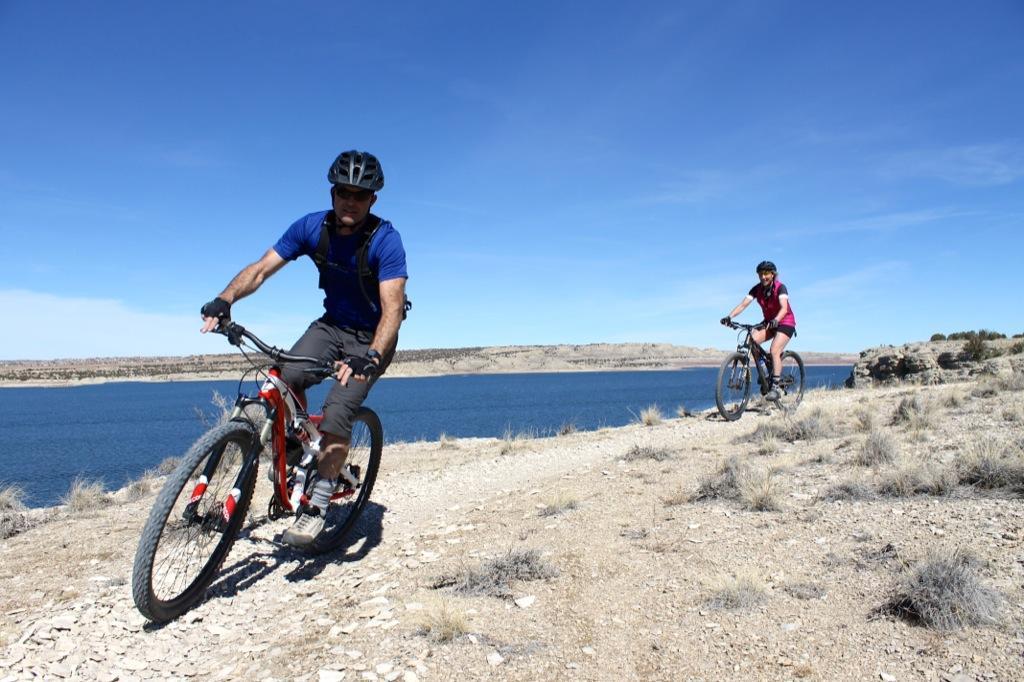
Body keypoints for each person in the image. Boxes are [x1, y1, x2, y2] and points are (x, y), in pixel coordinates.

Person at [200, 150, 408, 547]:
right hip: (330, 327)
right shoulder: (311, 228)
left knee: (337, 412)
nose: (351, 200)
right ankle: (297, 450)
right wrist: (225, 299)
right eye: (344, 192)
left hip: (371, 337)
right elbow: (261, 268)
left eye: (360, 195)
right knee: (282, 377)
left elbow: (393, 309)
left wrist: (371, 357)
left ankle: (317, 505)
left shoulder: (386, 240)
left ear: (372, 201)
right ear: (332, 193)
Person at [720, 260, 796, 401]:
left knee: (774, 350)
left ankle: (776, 387)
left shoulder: (780, 288)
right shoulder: (756, 289)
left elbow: (784, 308)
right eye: (760, 274)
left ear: (773, 275)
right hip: (769, 323)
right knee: (752, 340)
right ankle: (766, 373)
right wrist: (729, 317)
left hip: (785, 322)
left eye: (766, 273)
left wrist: (776, 320)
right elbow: (743, 305)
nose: (763, 277)